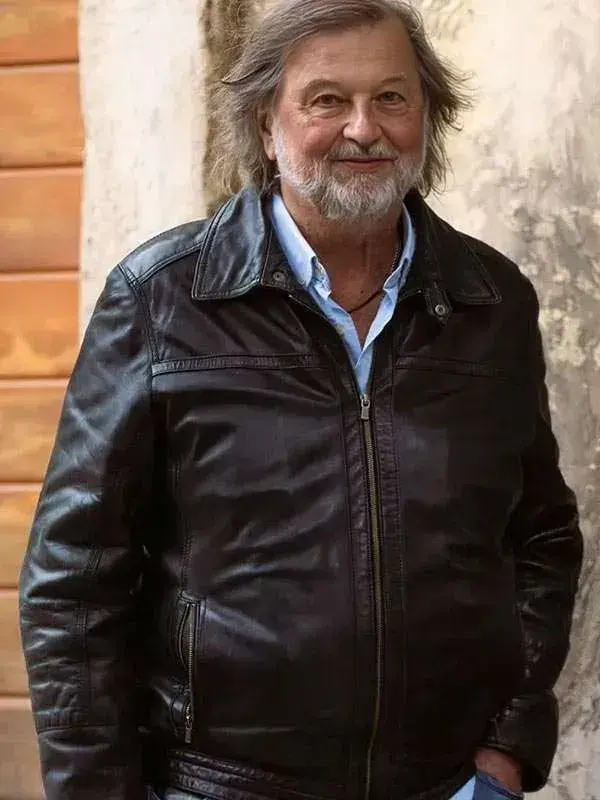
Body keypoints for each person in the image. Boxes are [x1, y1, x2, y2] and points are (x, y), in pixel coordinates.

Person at [19, 1, 583, 799]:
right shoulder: (161, 300)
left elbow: (543, 537)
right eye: (327, 100)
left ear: (427, 116)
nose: (364, 128)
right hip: (218, 785)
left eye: (392, 98)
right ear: (265, 125)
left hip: (447, 785)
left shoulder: (490, 302)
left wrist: (507, 750)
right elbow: (74, 584)